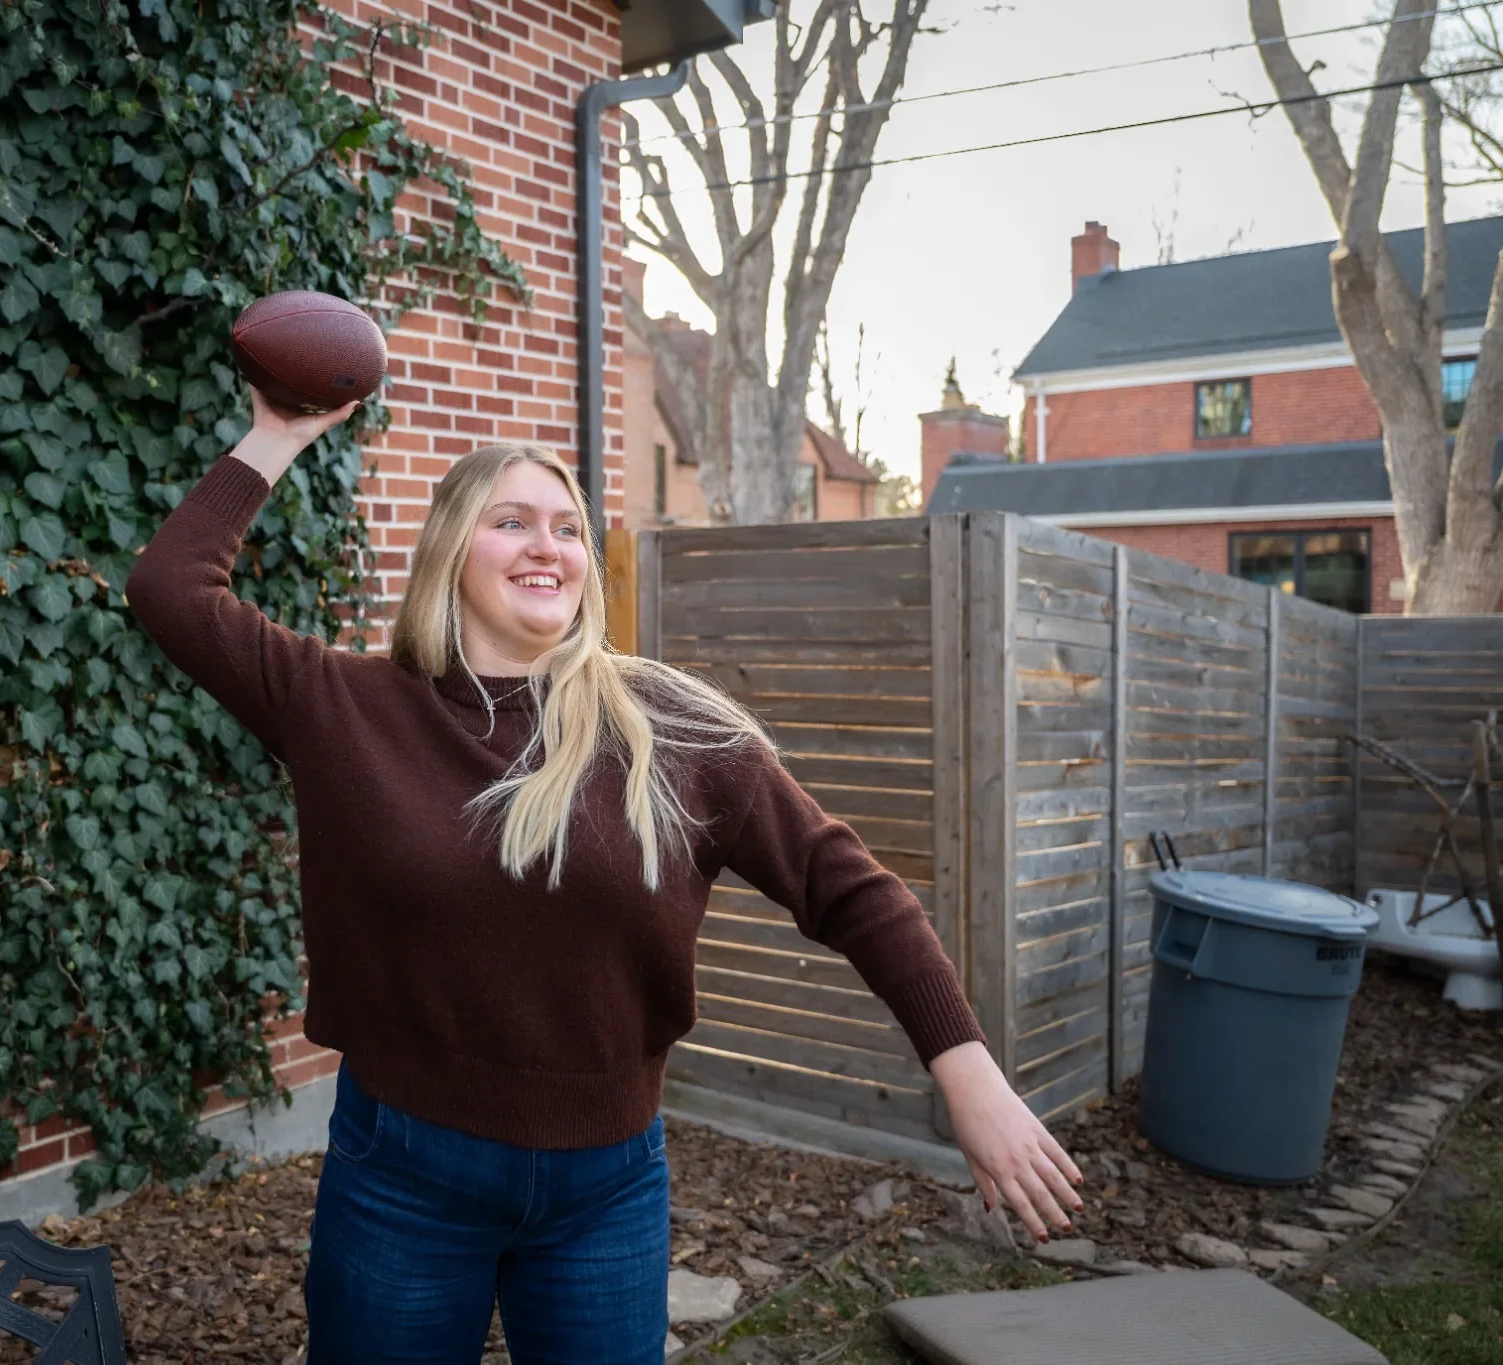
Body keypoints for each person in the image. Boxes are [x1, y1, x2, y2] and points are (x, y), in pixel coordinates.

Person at [124, 390, 1083, 1365]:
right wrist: (277, 433)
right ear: (450, 553)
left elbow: (851, 890)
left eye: (567, 528)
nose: (548, 546)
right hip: (401, 1173)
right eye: (510, 522)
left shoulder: (670, 727)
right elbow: (171, 591)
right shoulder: (343, 706)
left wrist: (969, 1077)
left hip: (606, 1190)